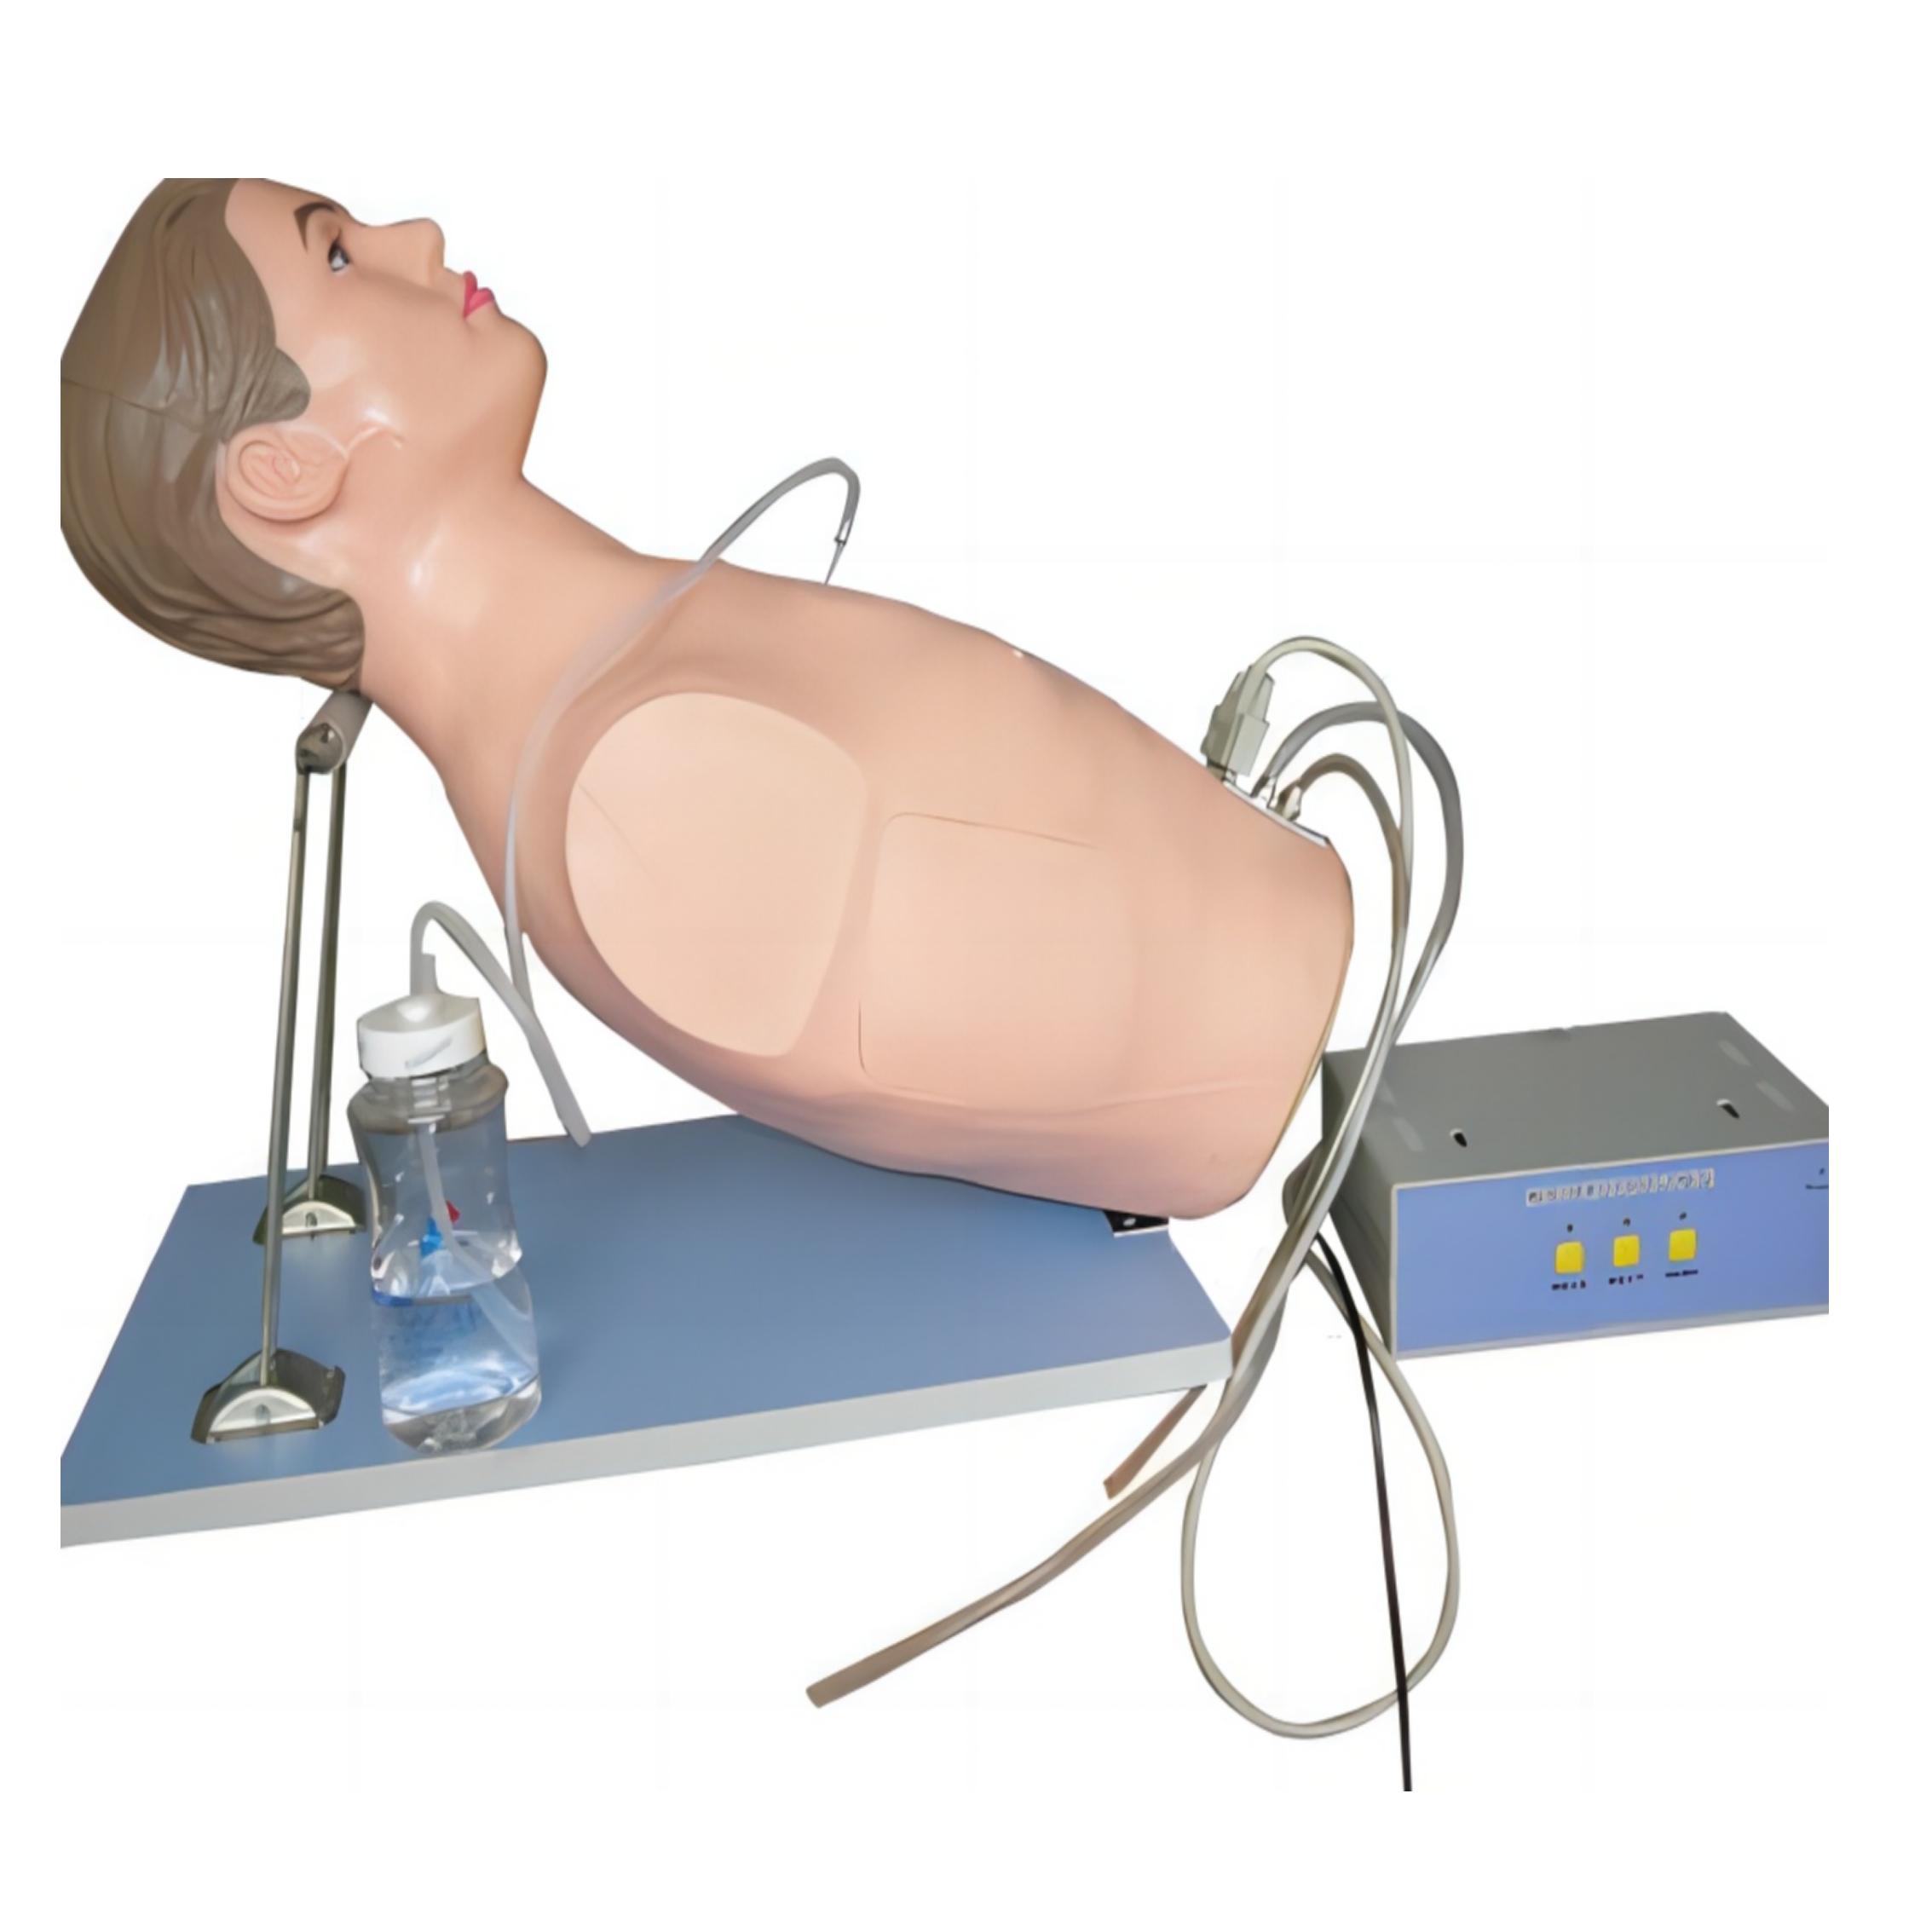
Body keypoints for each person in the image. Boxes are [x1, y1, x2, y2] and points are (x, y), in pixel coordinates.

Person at [61, 178, 1352, 1218]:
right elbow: (1151, 1011)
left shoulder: (630, 698)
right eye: (338, 255)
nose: (420, 235)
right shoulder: (632, 795)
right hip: (1288, 1023)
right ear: (283, 473)